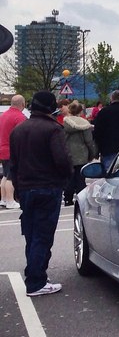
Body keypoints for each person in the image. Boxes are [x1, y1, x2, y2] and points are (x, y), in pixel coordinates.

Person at [9, 91, 73, 296]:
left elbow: (14, 164)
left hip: (26, 188)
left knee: (31, 234)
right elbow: (62, 161)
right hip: (48, 187)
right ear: (50, 107)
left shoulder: (18, 130)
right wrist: (65, 179)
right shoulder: (53, 129)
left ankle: (34, 274)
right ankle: (36, 281)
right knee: (43, 236)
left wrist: (18, 189)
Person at [62, 101, 97, 206]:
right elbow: (89, 141)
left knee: (70, 177)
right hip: (82, 154)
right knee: (80, 178)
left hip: (68, 154)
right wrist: (93, 153)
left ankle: (68, 198)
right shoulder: (84, 124)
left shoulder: (66, 123)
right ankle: (81, 198)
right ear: (80, 111)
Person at [0, 94, 28, 209]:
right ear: (23, 104)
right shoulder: (20, 117)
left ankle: (4, 199)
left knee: (5, 176)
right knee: (11, 176)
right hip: (13, 150)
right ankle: (11, 201)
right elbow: (23, 136)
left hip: (3, 148)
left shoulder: (3, 116)